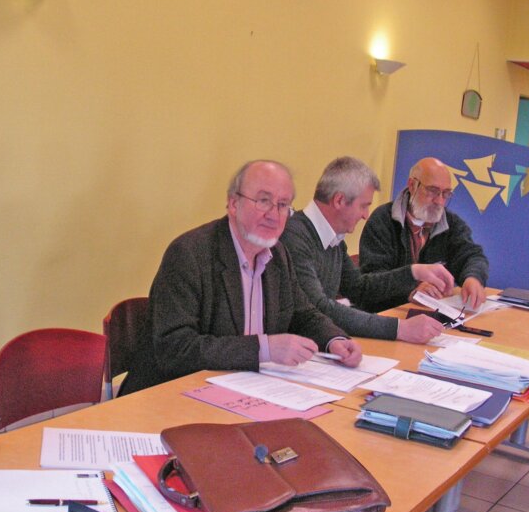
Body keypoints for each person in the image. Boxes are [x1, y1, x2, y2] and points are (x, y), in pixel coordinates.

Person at [121, 160, 361, 395]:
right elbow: (175, 348)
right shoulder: (189, 254)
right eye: (263, 201)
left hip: (244, 391)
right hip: (169, 395)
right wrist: (264, 349)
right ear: (233, 203)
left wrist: (334, 339)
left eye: (282, 205)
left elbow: (303, 314)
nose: (274, 215)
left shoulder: (278, 254)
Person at [281, 157, 453, 343]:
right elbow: (320, 308)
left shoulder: (333, 239)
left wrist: (414, 272)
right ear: (339, 200)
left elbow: (359, 289)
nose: (365, 215)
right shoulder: (294, 237)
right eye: (363, 206)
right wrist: (399, 328)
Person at [358, 156, 489, 313]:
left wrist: (472, 278)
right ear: (412, 185)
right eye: (433, 191)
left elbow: (472, 255)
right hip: (386, 315)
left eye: (446, 194)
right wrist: (412, 289)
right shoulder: (382, 220)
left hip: (431, 315)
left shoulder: (450, 222)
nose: (439, 201)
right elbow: (372, 282)